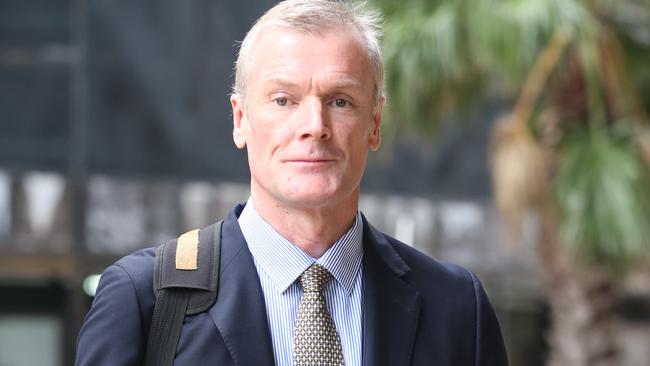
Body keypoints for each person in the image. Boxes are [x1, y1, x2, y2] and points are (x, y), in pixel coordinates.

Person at [75, 1, 509, 365]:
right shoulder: (145, 300)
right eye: (284, 100)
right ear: (241, 119)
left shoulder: (455, 308)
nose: (314, 126)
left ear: (374, 124)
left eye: (340, 101)